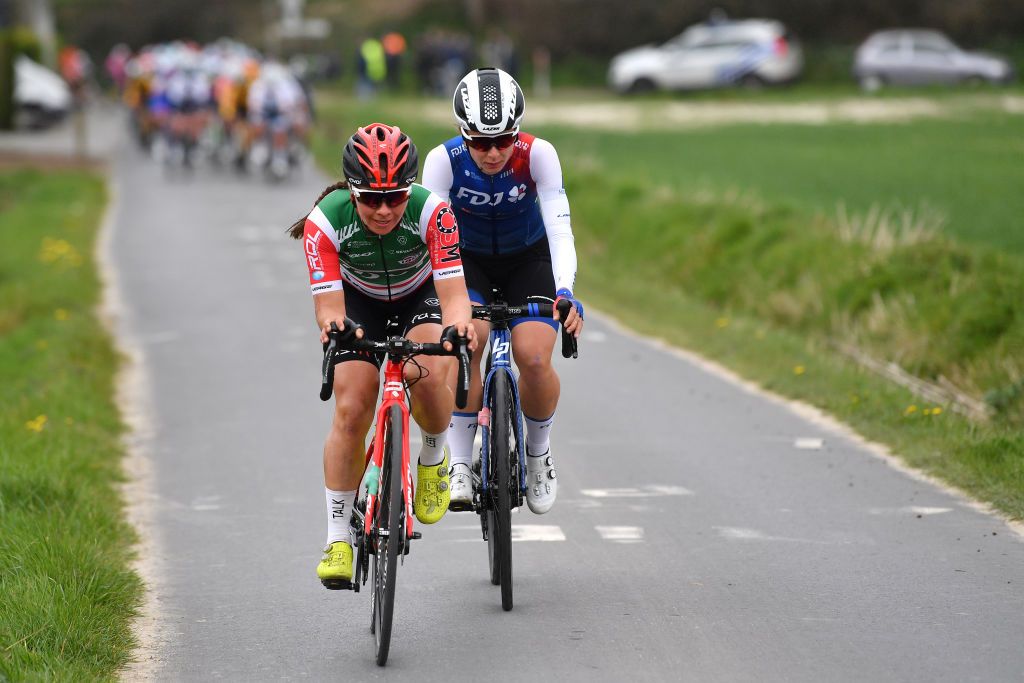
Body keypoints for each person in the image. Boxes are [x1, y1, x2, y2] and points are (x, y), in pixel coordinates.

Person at [289, 123, 477, 586]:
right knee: (352, 408)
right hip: (357, 305)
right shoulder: (325, 221)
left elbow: (454, 294)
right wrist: (335, 328)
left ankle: (433, 456)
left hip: (420, 298)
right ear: (351, 191)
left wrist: (459, 325)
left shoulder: (434, 212)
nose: (384, 208)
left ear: (409, 187)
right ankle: (337, 538)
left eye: (394, 196)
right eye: (370, 198)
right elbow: (328, 308)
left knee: (432, 378)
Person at [421, 68, 583, 516]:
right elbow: (430, 238)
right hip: (465, 260)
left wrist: (565, 290)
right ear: (462, 134)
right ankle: (459, 461)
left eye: (502, 140)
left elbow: (559, 227)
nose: (492, 153)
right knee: (465, 343)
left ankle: (537, 453)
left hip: (527, 260)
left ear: (517, 131)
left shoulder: (538, 154)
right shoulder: (442, 160)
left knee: (533, 356)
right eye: (479, 142)